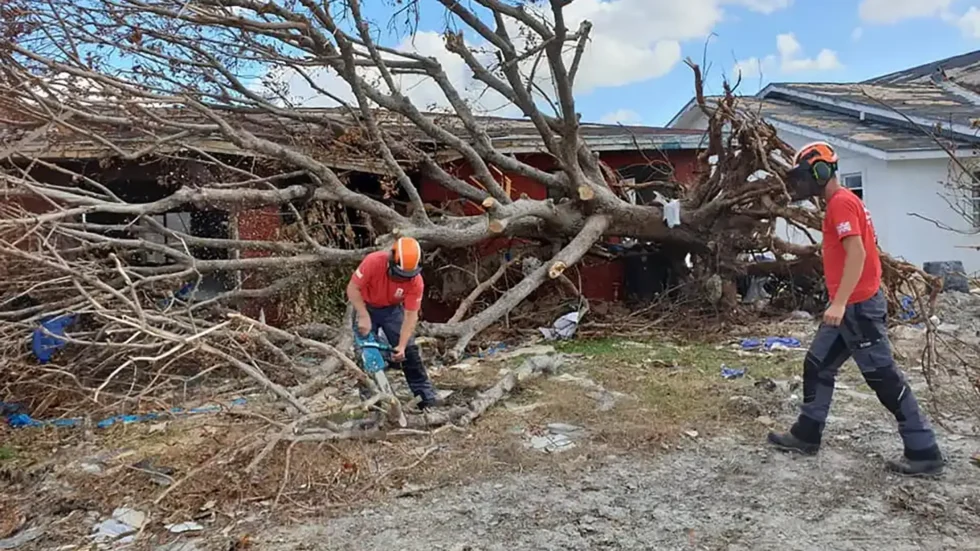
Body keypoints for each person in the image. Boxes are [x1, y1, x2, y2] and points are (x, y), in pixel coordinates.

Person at [767, 141, 946, 476]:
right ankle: (806, 434)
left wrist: (838, 301)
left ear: (821, 172)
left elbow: (859, 255)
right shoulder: (839, 203)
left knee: (883, 378)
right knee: (817, 365)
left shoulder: (842, 204)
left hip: (857, 308)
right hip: (851, 305)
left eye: (805, 175)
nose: (800, 183)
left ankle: (924, 450)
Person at [346, 236, 440, 409]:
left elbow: (411, 315)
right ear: (391, 261)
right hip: (365, 306)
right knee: (365, 354)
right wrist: (363, 314)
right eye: (399, 275)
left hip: (392, 310)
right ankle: (373, 404)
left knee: (410, 352)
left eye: (407, 276)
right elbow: (352, 288)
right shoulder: (374, 261)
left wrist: (402, 345)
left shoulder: (416, 282)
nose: (402, 279)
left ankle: (426, 399)